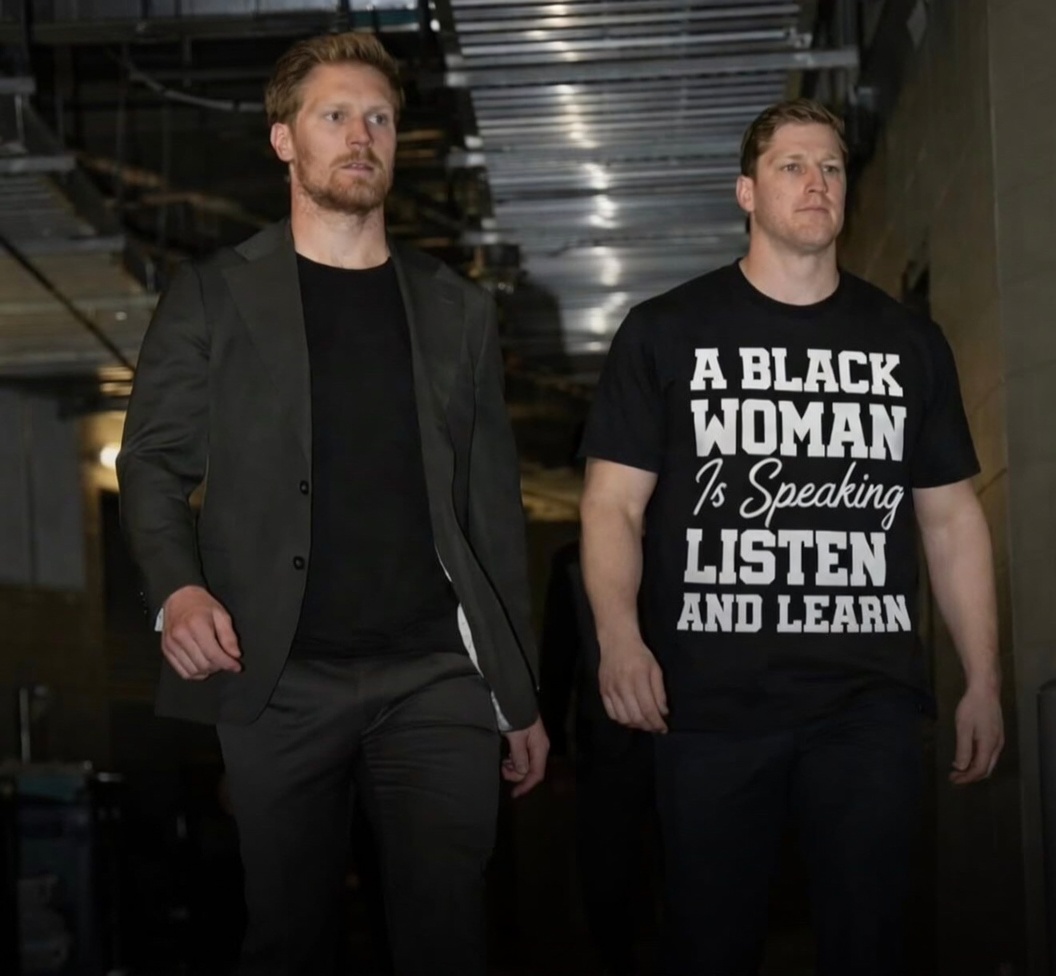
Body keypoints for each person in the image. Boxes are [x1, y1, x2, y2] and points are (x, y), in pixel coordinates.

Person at [117, 31, 548, 976]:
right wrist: (178, 591)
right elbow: (150, 463)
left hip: (436, 674)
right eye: (336, 115)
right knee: (289, 940)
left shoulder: (459, 310)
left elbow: (491, 518)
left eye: (380, 118)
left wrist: (518, 692)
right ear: (285, 140)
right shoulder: (213, 296)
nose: (362, 135)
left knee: (449, 938)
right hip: (278, 679)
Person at [577, 98, 1003, 976]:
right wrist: (619, 639)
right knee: (710, 945)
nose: (818, 183)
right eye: (793, 167)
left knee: (872, 944)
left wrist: (984, 680)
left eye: (833, 168)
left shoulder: (908, 344)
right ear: (747, 192)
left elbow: (952, 519)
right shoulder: (667, 332)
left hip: (868, 704)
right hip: (709, 704)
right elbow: (611, 505)